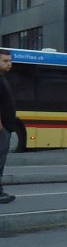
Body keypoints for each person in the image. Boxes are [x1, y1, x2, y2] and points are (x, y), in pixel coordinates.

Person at [0, 49, 17, 204]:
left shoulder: (3, 78)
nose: (9, 64)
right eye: (5, 61)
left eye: (10, 61)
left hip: (6, 126)